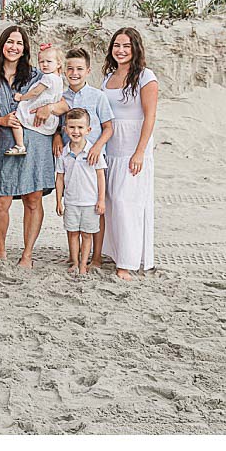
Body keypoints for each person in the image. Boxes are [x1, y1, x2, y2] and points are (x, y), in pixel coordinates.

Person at [0, 25, 64, 268]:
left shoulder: (37, 75)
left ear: (24, 48)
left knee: (33, 199)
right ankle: (1, 252)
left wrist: (51, 113)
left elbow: (63, 103)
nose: (14, 47)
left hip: (36, 142)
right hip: (0, 142)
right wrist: (0, 120)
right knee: (0, 201)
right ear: (2, 44)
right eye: (9, 41)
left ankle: (27, 255)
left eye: (19, 43)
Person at [100, 27, 159, 280]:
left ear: (135, 48)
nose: (121, 50)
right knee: (112, 203)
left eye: (126, 46)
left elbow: (150, 115)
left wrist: (140, 152)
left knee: (128, 204)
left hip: (133, 148)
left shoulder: (146, 77)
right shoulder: (108, 79)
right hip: (110, 148)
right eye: (116, 45)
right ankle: (114, 253)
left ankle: (127, 262)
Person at [52, 46, 115, 261]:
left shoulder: (98, 97)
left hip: (93, 158)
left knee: (95, 208)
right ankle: (75, 257)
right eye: (70, 69)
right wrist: (57, 136)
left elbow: (108, 127)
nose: (74, 73)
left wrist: (97, 147)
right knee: (74, 205)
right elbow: (58, 125)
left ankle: (96, 256)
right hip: (71, 160)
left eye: (79, 68)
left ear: (88, 70)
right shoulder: (60, 97)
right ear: (63, 71)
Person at [55, 109, 107, 275]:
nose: (75, 131)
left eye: (80, 127)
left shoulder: (94, 152)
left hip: (90, 202)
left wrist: (101, 200)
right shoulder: (63, 153)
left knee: (86, 235)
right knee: (72, 233)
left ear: (88, 130)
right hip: (71, 202)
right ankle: (75, 262)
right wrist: (58, 201)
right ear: (65, 129)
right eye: (71, 127)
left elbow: (100, 177)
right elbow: (60, 178)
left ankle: (84, 264)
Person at [6, 44, 64, 156]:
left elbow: (35, 92)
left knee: (17, 117)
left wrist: (21, 98)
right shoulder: (59, 79)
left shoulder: (48, 77)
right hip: (51, 117)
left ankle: (20, 145)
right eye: (41, 62)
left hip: (37, 109)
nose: (45, 65)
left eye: (49, 61)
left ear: (58, 63)